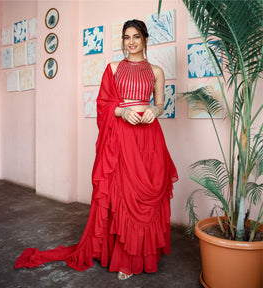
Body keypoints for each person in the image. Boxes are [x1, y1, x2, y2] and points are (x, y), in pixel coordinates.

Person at [15, 19, 178, 280]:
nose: (131, 42)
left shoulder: (156, 71)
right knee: (124, 197)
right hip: (121, 139)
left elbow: (160, 105)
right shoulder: (112, 68)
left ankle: (144, 254)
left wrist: (153, 111)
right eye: (126, 37)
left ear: (145, 39)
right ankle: (125, 259)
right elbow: (102, 105)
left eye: (136, 36)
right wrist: (122, 111)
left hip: (149, 139)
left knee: (147, 198)